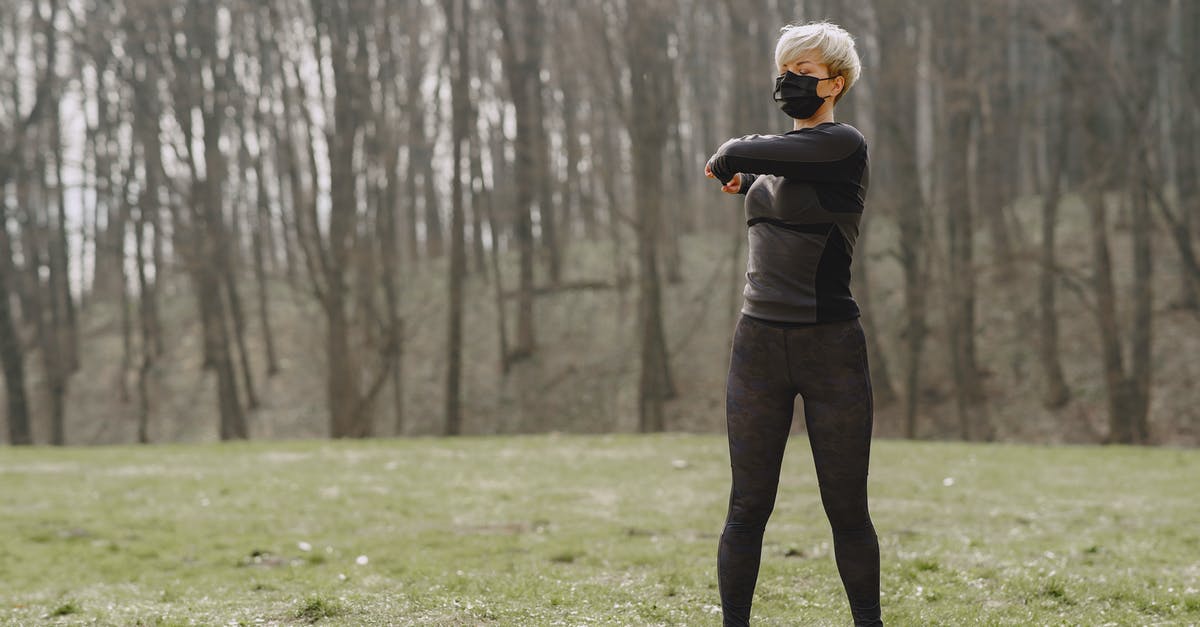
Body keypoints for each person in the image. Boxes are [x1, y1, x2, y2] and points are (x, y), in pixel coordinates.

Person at [703, 21, 882, 627]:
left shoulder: (843, 145)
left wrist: (735, 156)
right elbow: (769, 173)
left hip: (829, 347)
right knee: (747, 506)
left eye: (802, 74)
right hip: (757, 348)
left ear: (834, 83)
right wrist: (746, 182)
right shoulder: (781, 159)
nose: (788, 83)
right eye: (784, 72)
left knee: (847, 510)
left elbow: (759, 154)